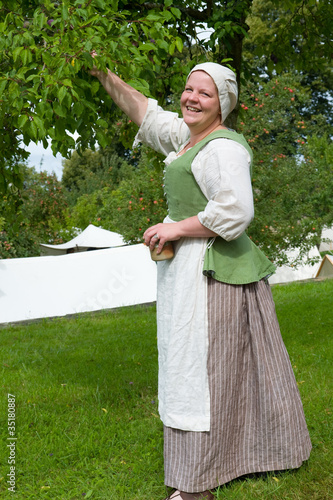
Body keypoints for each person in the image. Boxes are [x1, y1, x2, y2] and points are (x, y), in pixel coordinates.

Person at [90, 60, 312, 500]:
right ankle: (230, 459)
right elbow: (148, 116)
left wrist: (174, 227)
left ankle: (197, 486)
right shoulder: (190, 139)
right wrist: (104, 74)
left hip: (215, 279)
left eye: (204, 94)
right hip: (191, 272)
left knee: (201, 375)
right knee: (205, 371)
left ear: (222, 105)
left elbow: (235, 210)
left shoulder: (222, 149)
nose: (192, 98)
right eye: (188, 89)